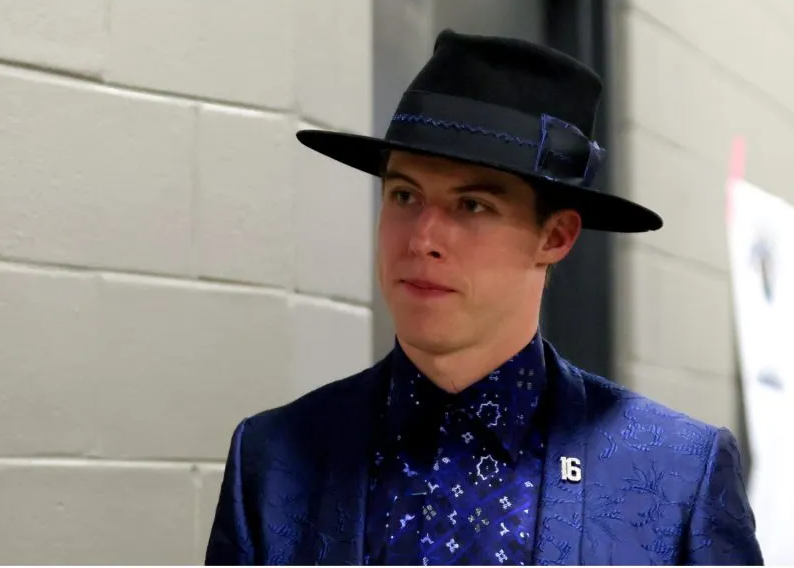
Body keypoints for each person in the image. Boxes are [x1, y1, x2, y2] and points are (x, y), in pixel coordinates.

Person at [205, 29, 763, 566]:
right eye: (404, 195)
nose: (422, 240)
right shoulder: (275, 456)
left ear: (556, 236)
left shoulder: (676, 474)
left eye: (472, 206)